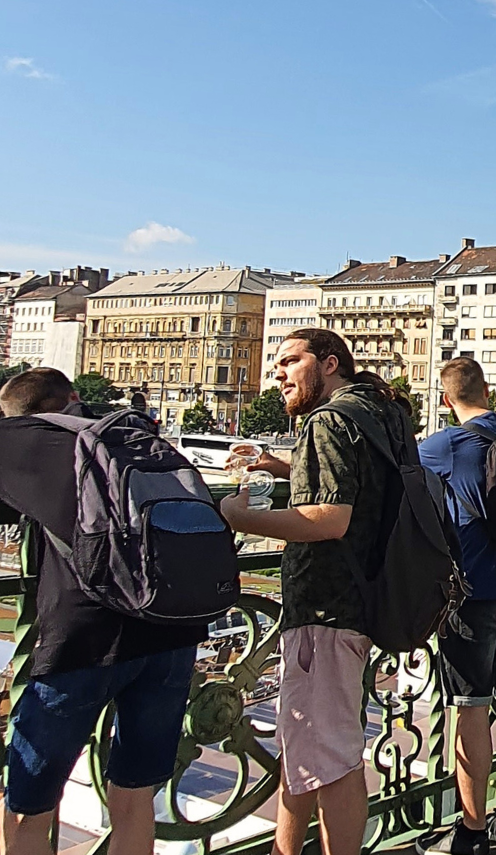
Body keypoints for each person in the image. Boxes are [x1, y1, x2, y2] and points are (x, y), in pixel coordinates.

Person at [0, 368, 205, 855]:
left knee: (28, 808)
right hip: (171, 631)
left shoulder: (21, 442)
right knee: (134, 800)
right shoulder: (136, 432)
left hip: (84, 640)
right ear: (74, 397)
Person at [222, 329, 411, 855]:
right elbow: (365, 486)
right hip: (364, 595)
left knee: (330, 757)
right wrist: (287, 468)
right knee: (306, 749)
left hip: (326, 603)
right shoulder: (379, 409)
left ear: (328, 364)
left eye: (290, 361)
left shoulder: (327, 420)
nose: (277, 372)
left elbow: (330, 519)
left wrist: (243, 515)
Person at [415, 358, 496, 855]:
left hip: (472, 589)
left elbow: (390, 482)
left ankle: (469, 830)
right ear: (487, 391)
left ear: (447, 399)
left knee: (469, 708)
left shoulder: (443, 445)